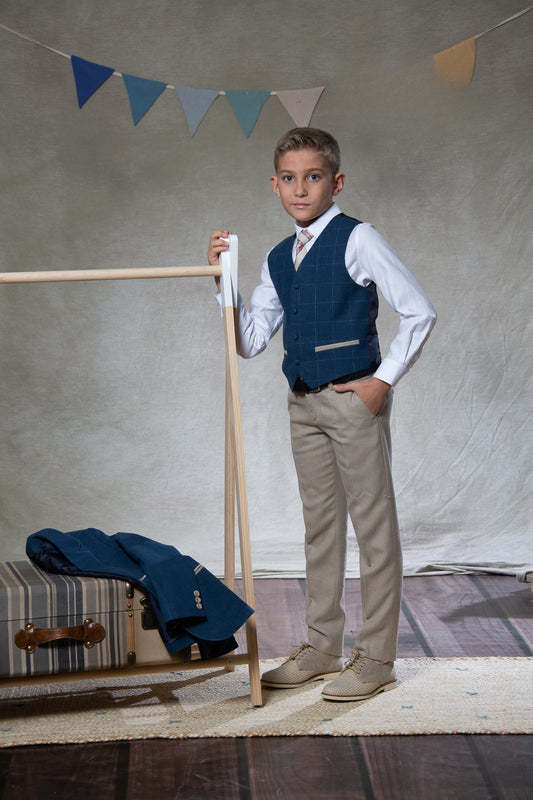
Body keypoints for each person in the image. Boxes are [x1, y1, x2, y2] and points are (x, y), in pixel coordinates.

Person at [207, 128, 436, 702]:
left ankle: (378, 657)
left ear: (335, 181)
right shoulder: (278, 257)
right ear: (274, 185)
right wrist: (223, 282)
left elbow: (419, 311)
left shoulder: (358, 239)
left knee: (374, 529)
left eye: (313, 177)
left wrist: (380, 384)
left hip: (351, 400)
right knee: (321, 526)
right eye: (289, 178)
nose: (300, 188)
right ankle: (322, 646)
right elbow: (251, 341)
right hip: (302, 402)